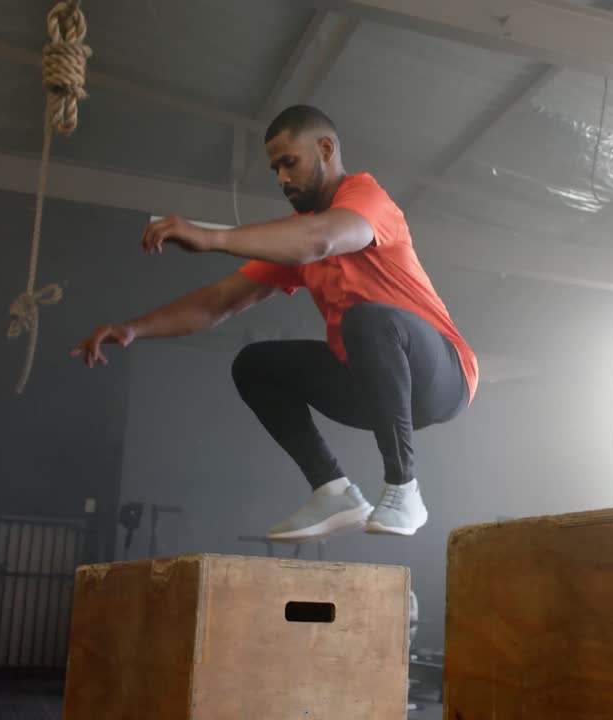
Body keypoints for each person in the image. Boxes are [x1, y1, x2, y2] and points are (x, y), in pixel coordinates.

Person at [72, 105, 477, 540]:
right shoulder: (298, 233)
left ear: (325, 149)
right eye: (275, 169)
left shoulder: (367, 200)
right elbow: (217, 304)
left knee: (367, 321)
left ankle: (404, 489)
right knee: (254, 364)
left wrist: (212, 238)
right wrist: (136, 328)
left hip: (444, 376)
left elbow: (319, 240)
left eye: (290, 163)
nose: (282, 178)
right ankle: (333, 490)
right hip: (376, 388)